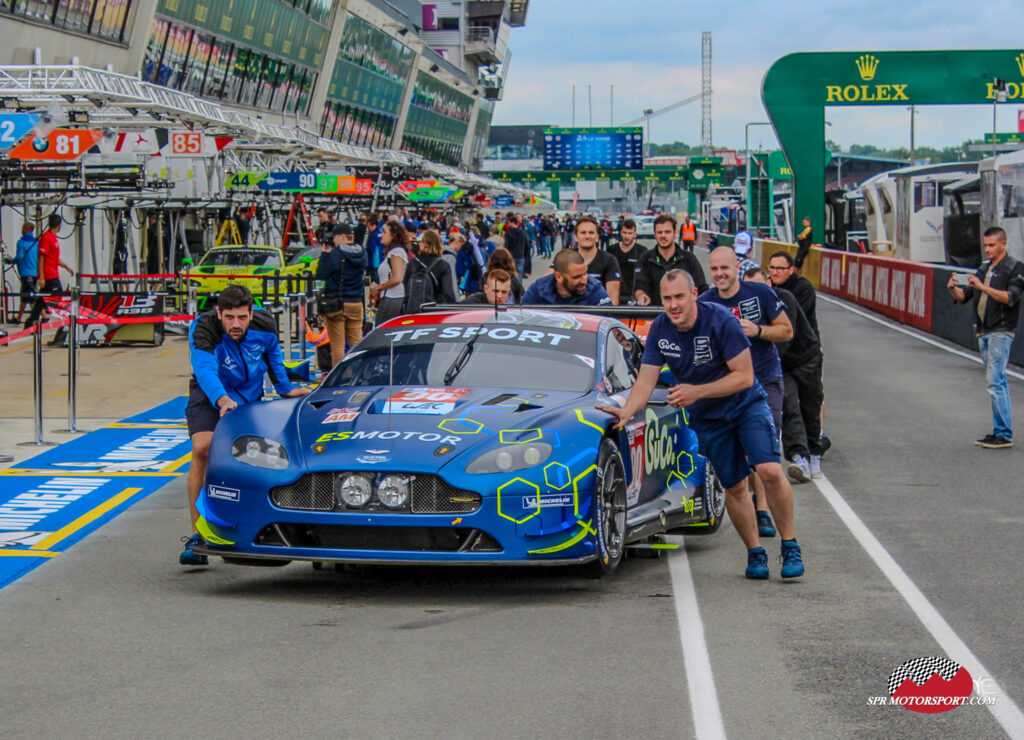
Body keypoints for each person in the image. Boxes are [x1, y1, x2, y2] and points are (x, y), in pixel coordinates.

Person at [597, 269, 803, 579]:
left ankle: (790, 546)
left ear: (694, 295)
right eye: (667, 299)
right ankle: (755, 553)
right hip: (708, 418)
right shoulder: (661, 330)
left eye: (679, 297)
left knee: (770, 470)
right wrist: (626, 411)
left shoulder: (721, 321)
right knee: (734, 486)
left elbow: (744, 377)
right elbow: (646, 381)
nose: (673, 305)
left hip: (745, 406)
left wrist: (696, 391)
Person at [182, 284, 310, 565]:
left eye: (241, 317)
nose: (235, 324)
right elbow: (204, 368)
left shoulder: (265, 325)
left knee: (254, 455)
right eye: (229, 317)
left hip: (249, 395)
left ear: (252, 313)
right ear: (219, 314)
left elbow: (273, 357)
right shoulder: (204, 328)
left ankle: (254, 526)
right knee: (203, 447)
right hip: (211, 393)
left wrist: (286, 388)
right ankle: (196, 536)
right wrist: (222, 399)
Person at [701, 247, 793, 532]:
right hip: (728, 387)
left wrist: (758, 330)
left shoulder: (761, 293)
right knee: (741, 454)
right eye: (714, 270)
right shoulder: (705, 302)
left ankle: (766, 511)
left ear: (736, 268)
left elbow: (787, 330)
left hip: (765, 380)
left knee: (764, 454)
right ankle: (759, 508)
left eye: (724, 268)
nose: (720, 274)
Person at [745, 267, 825, 481]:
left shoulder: (784, 300)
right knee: (789, 405)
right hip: (781, 366)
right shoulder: (743, 305)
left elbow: (785, 336)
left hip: (804, 357)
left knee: (811, 406)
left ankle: (815, 450)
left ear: (769, 285)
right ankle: (798, 456)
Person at [948, 226, 1024, 448]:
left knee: (995, 381)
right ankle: (999, 430)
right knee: (994, 382)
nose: (988, 249)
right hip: (983, 330)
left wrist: (983, 286)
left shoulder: (1015, 268)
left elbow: (1011, 297)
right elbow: (964, 296)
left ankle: (1004, 434)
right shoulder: (984, 268)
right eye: (986, 245)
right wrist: (953, 288)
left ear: (1003, 244)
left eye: (992, 245)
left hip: (1001, 330)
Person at [316, 223, 367, 365]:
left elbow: (322, 274)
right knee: (356, 343)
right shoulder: (363, 253)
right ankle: (359, 373)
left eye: (335, 238)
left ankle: (340, 378)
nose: (333, 241)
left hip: (337, 304)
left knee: (337, 345)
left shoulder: (335, 255)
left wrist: (325, 255)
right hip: (357, 302)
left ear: (343, 237)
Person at [634, 213, 708, 305]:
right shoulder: (645, 259)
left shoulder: (689, 259)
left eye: (667, 232)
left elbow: (702, 288)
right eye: (660, 232)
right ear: (655, 234)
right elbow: (638, 286)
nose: (663, 236)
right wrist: (641, 295)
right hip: (653, 314)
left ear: (675, 233)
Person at [24, 214, 74, 329]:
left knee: (42, 300)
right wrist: (41, 277)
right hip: (48, 275)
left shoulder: (53, 238)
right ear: (59, 225)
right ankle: (62, 320)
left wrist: (66, 266)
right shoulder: (46, 238)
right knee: (58, 295)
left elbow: (54, 258)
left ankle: (30, 322)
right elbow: (41, 258)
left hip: (53, 273)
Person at [522, 249, 612, 306]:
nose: (584, 280)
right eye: (577, 277)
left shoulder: (595, 290)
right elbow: (523, 318)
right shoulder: (538, 289)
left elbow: (611, 323)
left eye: (585, 274)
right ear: (559, 277)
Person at [768, 250, 819, 336]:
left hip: (804, 343)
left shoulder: (804, 287)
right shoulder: (767, 284)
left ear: (791, 270)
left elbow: (795, 318)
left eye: (780, 268)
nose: (774, 272)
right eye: (771, 268)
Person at [369, 221, 410, 326]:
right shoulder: (394, 252)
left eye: (385, 232)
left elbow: (397, 278)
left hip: (393, 298)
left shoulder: (396, 252)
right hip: (390, 297)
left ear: (394, 235)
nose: (381, 235)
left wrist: (379, 287)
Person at [573, 216, 621, 304]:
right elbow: (545, 285)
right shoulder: (566, 259)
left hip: (598, 314)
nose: (587, 236)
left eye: (591, 233)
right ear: (575, 237)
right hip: (571, 314)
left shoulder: (609, 260)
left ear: (597, 237)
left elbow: (613, 299)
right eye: (583, 233)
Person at [403, 229, 456, 309]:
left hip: (414, 309)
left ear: (424, 244)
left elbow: (405, 287)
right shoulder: (443, 265)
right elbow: (448, 293)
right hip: (435, 309)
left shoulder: (412, 263)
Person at [606, 218, 648, 304]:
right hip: (615, 295)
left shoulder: (642, 251)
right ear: (621, 233)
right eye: (624, 233)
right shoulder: (611, 250)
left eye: (630, 233)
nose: (627, 236)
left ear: (635, 235)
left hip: (634, 296)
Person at [6, 222, 38, 324]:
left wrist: (11, 261)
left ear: (25, 229)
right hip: (34, 272)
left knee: (32, 296)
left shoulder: (21, 242)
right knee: (25, 296)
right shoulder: (36, 242)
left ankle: (45, 316)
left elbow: (19, 256)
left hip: (26, 272)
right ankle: (19, 318)